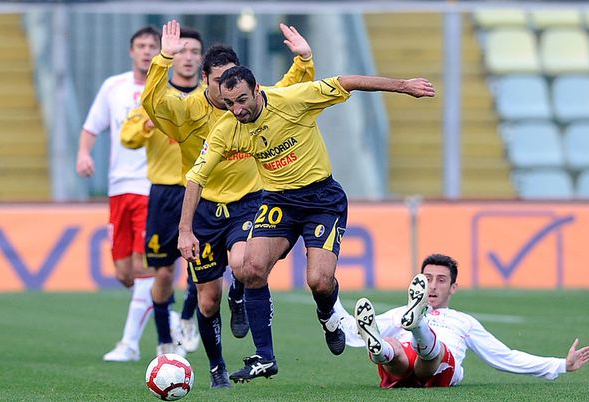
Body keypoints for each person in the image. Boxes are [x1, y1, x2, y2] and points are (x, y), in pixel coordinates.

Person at [181, 65, 435, 381]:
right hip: (279, 202)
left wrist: (404, 84)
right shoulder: (226, 129)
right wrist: (185, 230)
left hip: (321, 200)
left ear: (257, 89)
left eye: (242, 100)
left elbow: (348, 81)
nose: (237, 109)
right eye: (229, 103)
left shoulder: (294, 99)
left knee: (319, 281)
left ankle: (328, 315)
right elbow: (196, 177)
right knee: (248, 269)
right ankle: (265, 357)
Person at [143, 19, 314, 388]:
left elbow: (289, 90)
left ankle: (240, 293)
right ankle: (217, 365)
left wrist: (303, 61)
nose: (226, 91)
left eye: (230, 80)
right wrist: (162, 59)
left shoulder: (248, 102)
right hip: (205, 209)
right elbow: (152, 102)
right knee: (206, 301)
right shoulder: (187, 112)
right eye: (218, 81)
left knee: (242, 264)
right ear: (205, 79)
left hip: (249, 201)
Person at [344, 253, 589, 387]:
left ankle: (416, 328)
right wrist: (330, 310)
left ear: (453, 287)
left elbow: (503, 356)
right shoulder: (400, 313)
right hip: (403, 368)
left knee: (433, 354)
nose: (432, 286)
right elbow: (359, 331)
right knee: (390, 344)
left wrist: (562, 364)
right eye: (427, 279)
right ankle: (382, 350)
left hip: (442, 368)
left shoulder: (464, 322)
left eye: (440, 280)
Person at [76, 26, 172, 363]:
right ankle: (167, 314)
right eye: (141, 46)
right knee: (123, 272)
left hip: (152, 187)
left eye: (152, 46)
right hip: (119, 189)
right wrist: (84, 154)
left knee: (145, 268)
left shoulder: (167, 89)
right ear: (131, 51)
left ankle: (129, 344)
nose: (147, 51)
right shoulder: (113, 87)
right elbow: (91, 128)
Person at [120, 27, 206, 356]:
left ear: (201, 58)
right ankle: (164, 342)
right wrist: (148, 123)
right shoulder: (153, 99)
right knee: (164, 272)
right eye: (181, 51)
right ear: (172, 56)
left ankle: (186, 319)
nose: (187, 57)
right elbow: (127, 138)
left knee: (203, 268)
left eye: (194, 52)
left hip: (199, 191)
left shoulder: (209, 100)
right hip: (164, 194)